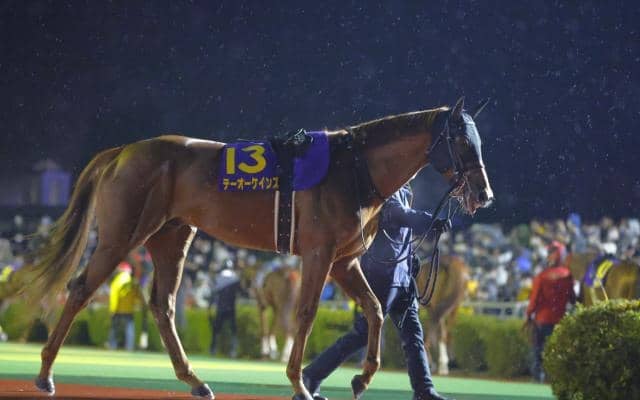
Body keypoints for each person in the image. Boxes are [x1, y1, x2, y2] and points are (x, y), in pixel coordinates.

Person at [302, 183, 452, 400]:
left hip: (403, 275)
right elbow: (396, 214)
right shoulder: (385, 185)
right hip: (383, 274)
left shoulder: (405, 188)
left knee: (413, 335)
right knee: (364, 333)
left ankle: (424, 390)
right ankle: (311, 376)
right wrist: (430, 220)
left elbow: (402, 227)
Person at [525, 241, 576, 383]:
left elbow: (534, 300)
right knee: (559, 350)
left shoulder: (542, 276)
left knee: (538, 350)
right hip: (560, 319)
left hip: (543, 319)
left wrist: (528, 315)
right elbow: (572, 298)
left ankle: (538, 375)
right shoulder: (568, 275)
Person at [108, 261, 144, 351]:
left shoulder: (116, 281)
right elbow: (138, 296)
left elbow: (114, 297)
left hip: (118, 309)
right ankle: (129, 347)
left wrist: (112, 310)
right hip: (129, 310)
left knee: (114, 329)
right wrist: (138, 305)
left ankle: (112, 346)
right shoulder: (132, 282)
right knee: (129, 330)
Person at [209, 258, 242, 358]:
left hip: (221, 307)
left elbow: (213, 293)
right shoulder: (235, 277)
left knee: (216, 329)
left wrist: (210, 305)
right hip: (231, 308)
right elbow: (240, 292)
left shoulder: (218, 277)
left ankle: (213, 349)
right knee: (233, 330)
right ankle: (233, 350)